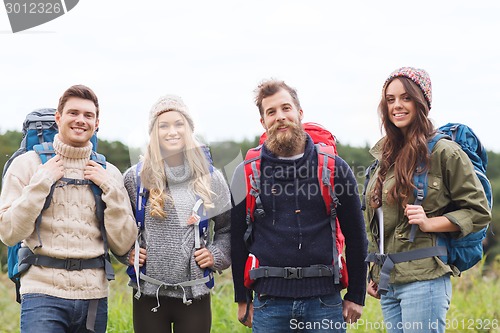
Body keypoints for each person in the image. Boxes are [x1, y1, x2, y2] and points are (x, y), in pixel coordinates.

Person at [230, 79, 368, 333]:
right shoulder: (245, 174)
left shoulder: (336, 168)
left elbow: (357, 236)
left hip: (324, 301)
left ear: (299, 113)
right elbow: (237, 239)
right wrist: (242, 298)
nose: (280, 117)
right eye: (271, 112)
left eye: (286, 108)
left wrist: (357, 294)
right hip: (268, 304)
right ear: (263, 122)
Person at [0, 84, 138, 333]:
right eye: (73, 113)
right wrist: (42, 182)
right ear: (58, 117)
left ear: (97, 124)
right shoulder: (27, 165)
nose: (80, 120)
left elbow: (123, 243)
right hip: (41, 293)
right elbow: (9, 232)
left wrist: (111, 190)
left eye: (88, 115)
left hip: (94, 295)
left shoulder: (109, 173)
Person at [364, 67, 491, 333]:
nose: (397, 105)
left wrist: (431, 223)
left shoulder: (445, 152)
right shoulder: (384, 157)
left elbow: (478, 211)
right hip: (389, 281)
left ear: (422, 102)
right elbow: (378, 220)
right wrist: (374, 271)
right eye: (390, 99)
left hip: (424, 280)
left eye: (405, 98)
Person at [120, 95, 231, 333]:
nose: (172, 131)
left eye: (179, 124)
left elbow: (227, 228)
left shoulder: (211, 178)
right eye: (164, 125)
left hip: (195, 292)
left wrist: (216, 254)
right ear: (153, 132)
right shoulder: (134, 179)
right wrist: (126, 253)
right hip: (148, 293)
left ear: (189, 129)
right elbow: (117, 226)